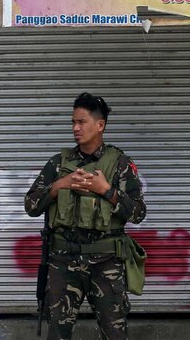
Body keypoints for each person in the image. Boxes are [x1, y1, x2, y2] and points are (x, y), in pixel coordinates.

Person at [25, 92, 146, 340]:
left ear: (100, 125)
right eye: (73, 122)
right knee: (57, 333)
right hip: (63, 262)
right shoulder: (59, 164)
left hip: (106, 263)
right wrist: (59, 186)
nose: (76, 128)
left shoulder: (121, 165)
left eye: (82, 122)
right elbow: (31, 205)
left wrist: (106, 191)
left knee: (114, 334)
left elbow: (138, 213)